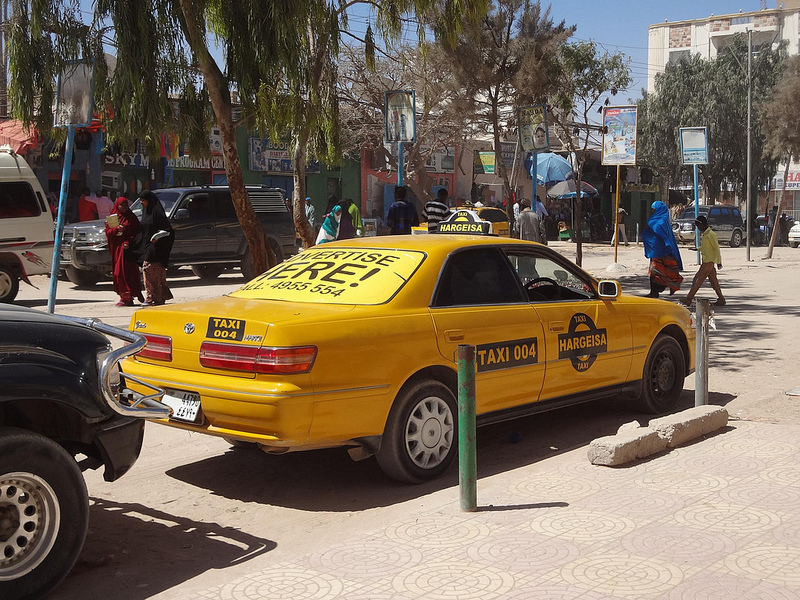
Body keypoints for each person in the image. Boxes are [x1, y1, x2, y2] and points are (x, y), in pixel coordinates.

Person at [136, 191, 174, 306]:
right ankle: (160, 296)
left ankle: (151, 297)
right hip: (148, 246)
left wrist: (158, 236)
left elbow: (168, 230)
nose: (142, 203)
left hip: (157, 247)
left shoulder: (157, 213)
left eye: (144, 200)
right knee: (156, 273)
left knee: (148, 269)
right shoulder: (146, 212)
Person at [105, 196, 143, 306]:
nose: (124, 208)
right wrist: (117, 229)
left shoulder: (131, 217)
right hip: (117, 249)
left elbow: (137, 232)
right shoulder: (113, 218)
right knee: (118, 273)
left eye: (126, 205)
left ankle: (131, 295)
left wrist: (128, 241)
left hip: (128, 250)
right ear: (118, 206)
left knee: (129, 273)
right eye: (122, 205)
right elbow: (108, 232)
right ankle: (124, 296)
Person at [681, 215, 725, 307]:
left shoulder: (711, 234)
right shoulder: (705, 234)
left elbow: (716, 248)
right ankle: (721, 299)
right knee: (714, 282)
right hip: (707, 261)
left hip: (708, 262)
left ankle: (689, 299)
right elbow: (706, 247)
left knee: (697, 279)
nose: (698, 228)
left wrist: (719, 262)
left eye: (698, 226)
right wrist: (698, 249)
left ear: (703, 224)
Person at [642, 200, 683, 298]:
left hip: (662, 250)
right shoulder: (661, 219)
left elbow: (658, 229)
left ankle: (655, 292)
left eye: (654, 209)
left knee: (655, 270)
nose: (652, 211)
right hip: (657, 250)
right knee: (659, 271)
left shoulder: (661, 220)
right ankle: (659, 289)